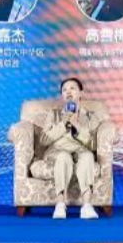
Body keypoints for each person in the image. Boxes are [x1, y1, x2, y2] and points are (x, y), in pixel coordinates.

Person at [37, 77, 103, 219]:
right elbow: (43, 140)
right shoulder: (54, 114)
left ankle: (87, 206)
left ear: (81, 93)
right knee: (63, 156)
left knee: (88, 156)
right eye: (64, 90)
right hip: (58, 151)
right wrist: (63, 124)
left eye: (72, 88)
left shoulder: (91, 117)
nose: (68, 92)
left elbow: (93, 145)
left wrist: (77, 125)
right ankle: (60, 205)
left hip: (80, 150)